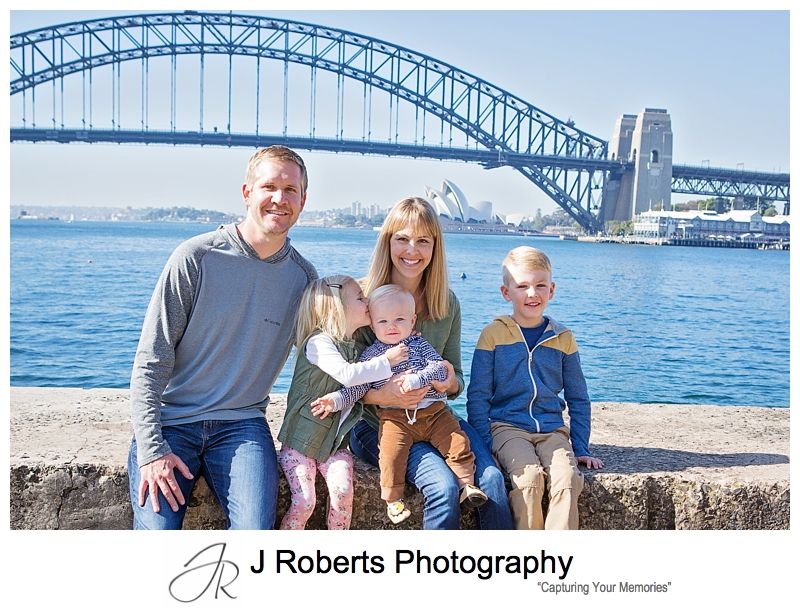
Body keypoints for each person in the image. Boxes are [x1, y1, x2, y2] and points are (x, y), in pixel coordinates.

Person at [127, 145, 317, 530]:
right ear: (247, 192)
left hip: (242, 426)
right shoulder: (196, 257)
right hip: (172, 423)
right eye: (269, 187)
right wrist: (151, 450)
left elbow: (327, 363)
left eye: (291, 190)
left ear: (303, 199)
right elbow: (152, 359)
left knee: (254, 537)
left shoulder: (304, 280)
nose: (280, 199)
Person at [348, 196, 513, 530]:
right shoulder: (362, 299)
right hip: (378, 425)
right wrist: (386, 395)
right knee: (443, 486)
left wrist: (448, 380)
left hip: (435, 416)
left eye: (423, 240)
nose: (412, 250)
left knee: (493, 480)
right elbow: (346, 382)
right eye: (402, 239)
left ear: (435, 246)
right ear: (387, 242)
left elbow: (457, 384)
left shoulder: (446, 302)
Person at [312, 284, 488, 524]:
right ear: (372, 324)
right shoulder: (373, 356)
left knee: (457, 443)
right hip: (395, 418)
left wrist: (419, 379)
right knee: (390, 455)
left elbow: (439, 367)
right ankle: (393, 500)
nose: (391, 326)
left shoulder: (419, 345)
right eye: (383, 322)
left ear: (412, 321)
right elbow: (359, 387)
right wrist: (336, 400)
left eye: (399, 319)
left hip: (434, 414)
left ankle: (467, 485)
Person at [466, 246, 603, 530]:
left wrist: (580, 446)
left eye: (541, 285)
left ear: (552, 290)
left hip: (552, 429)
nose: (533, 293)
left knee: (567, 480)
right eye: (523, 286)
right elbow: (477, 396)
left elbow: (578, 398)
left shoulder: (563, 338)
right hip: (506, 427)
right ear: (507, 293)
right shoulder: (492, 335)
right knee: (528, 480)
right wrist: (484, 446)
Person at [276, 275, 408, 529]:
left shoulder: (353, 347)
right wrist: (387, 361)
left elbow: (358, 387)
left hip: (334, 445)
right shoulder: (318, 342)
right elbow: (347, 375)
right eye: (360, 298)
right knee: (304, 502)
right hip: (300, 444)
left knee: (344, 492)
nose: (367, 301)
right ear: (338, 307)